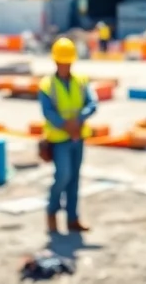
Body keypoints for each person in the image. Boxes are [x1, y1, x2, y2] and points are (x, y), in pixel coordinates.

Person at [38, 37, 97, 235]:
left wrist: (79, 119)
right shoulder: (47, 85)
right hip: (59, 139)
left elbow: (92, 103)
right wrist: (66, 125)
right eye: (62, 62)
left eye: (68, 62)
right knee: (63, 175)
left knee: (74, 179)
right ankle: (51, 212)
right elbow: (48, 112)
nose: (65, 65)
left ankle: (73, 218)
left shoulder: (81, 81)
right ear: (55, 62)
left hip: (77, 137)